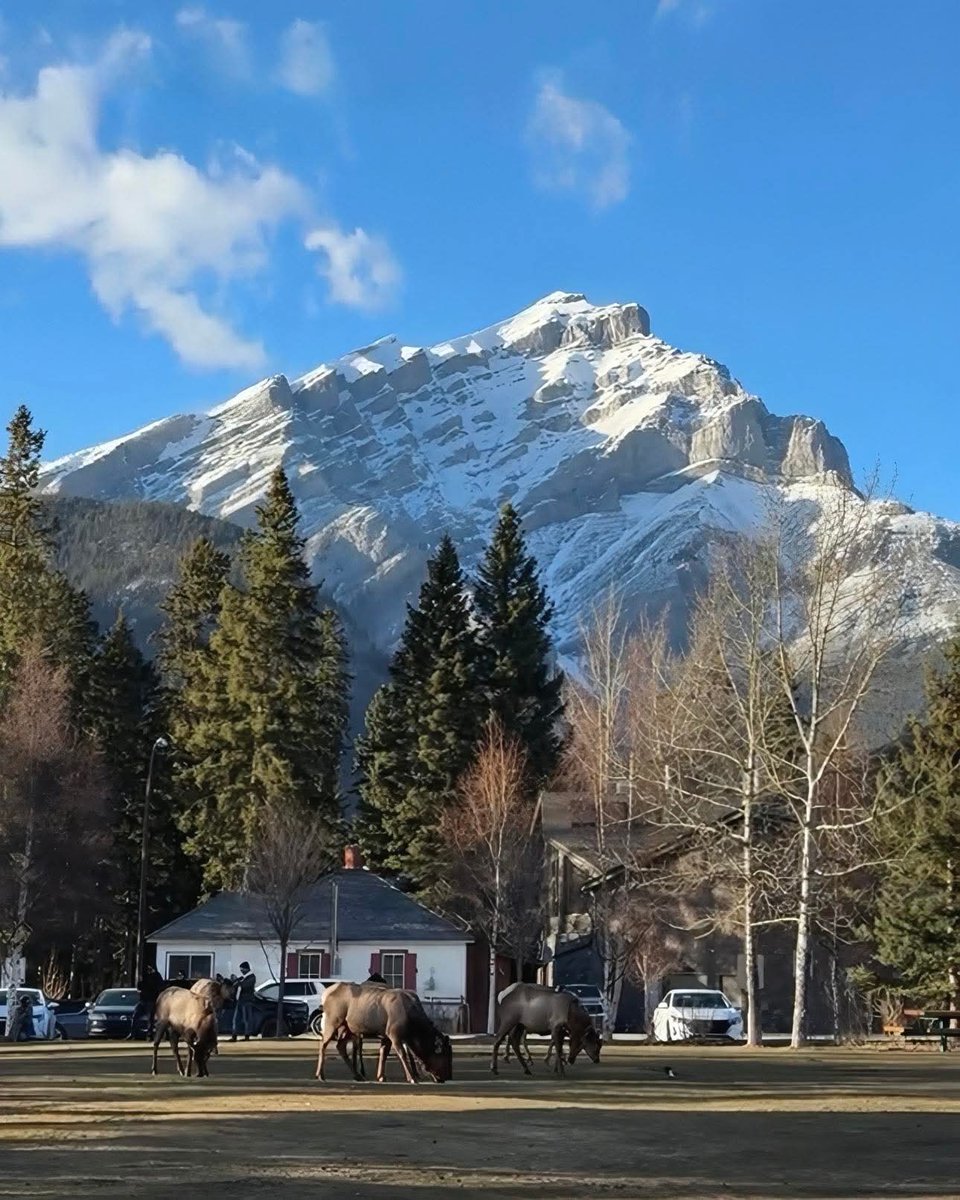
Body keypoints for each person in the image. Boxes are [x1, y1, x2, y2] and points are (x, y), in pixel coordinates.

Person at [127, 964, 164, 1040]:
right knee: (135, 1016)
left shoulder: (156, 976)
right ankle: (133, 1033)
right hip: (142, 1000)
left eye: (150, 968)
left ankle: (149, 1035)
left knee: (150, 1018)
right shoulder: (144, 975)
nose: (148, 969)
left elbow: (160, 985)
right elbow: (139, 985)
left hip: (151, 1000)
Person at [230, 961, 256, 1041]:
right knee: (236, 1019)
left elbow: (244, 985)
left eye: (242, 969)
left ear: (247, 969)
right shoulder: (242, 978)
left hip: (247, 1001)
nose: (241, 971)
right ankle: (234, 1036)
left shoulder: (252, 977)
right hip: (240, 1001)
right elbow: (235, 985)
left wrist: (237, 982)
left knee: (247, 1019)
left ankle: (247, 1036)